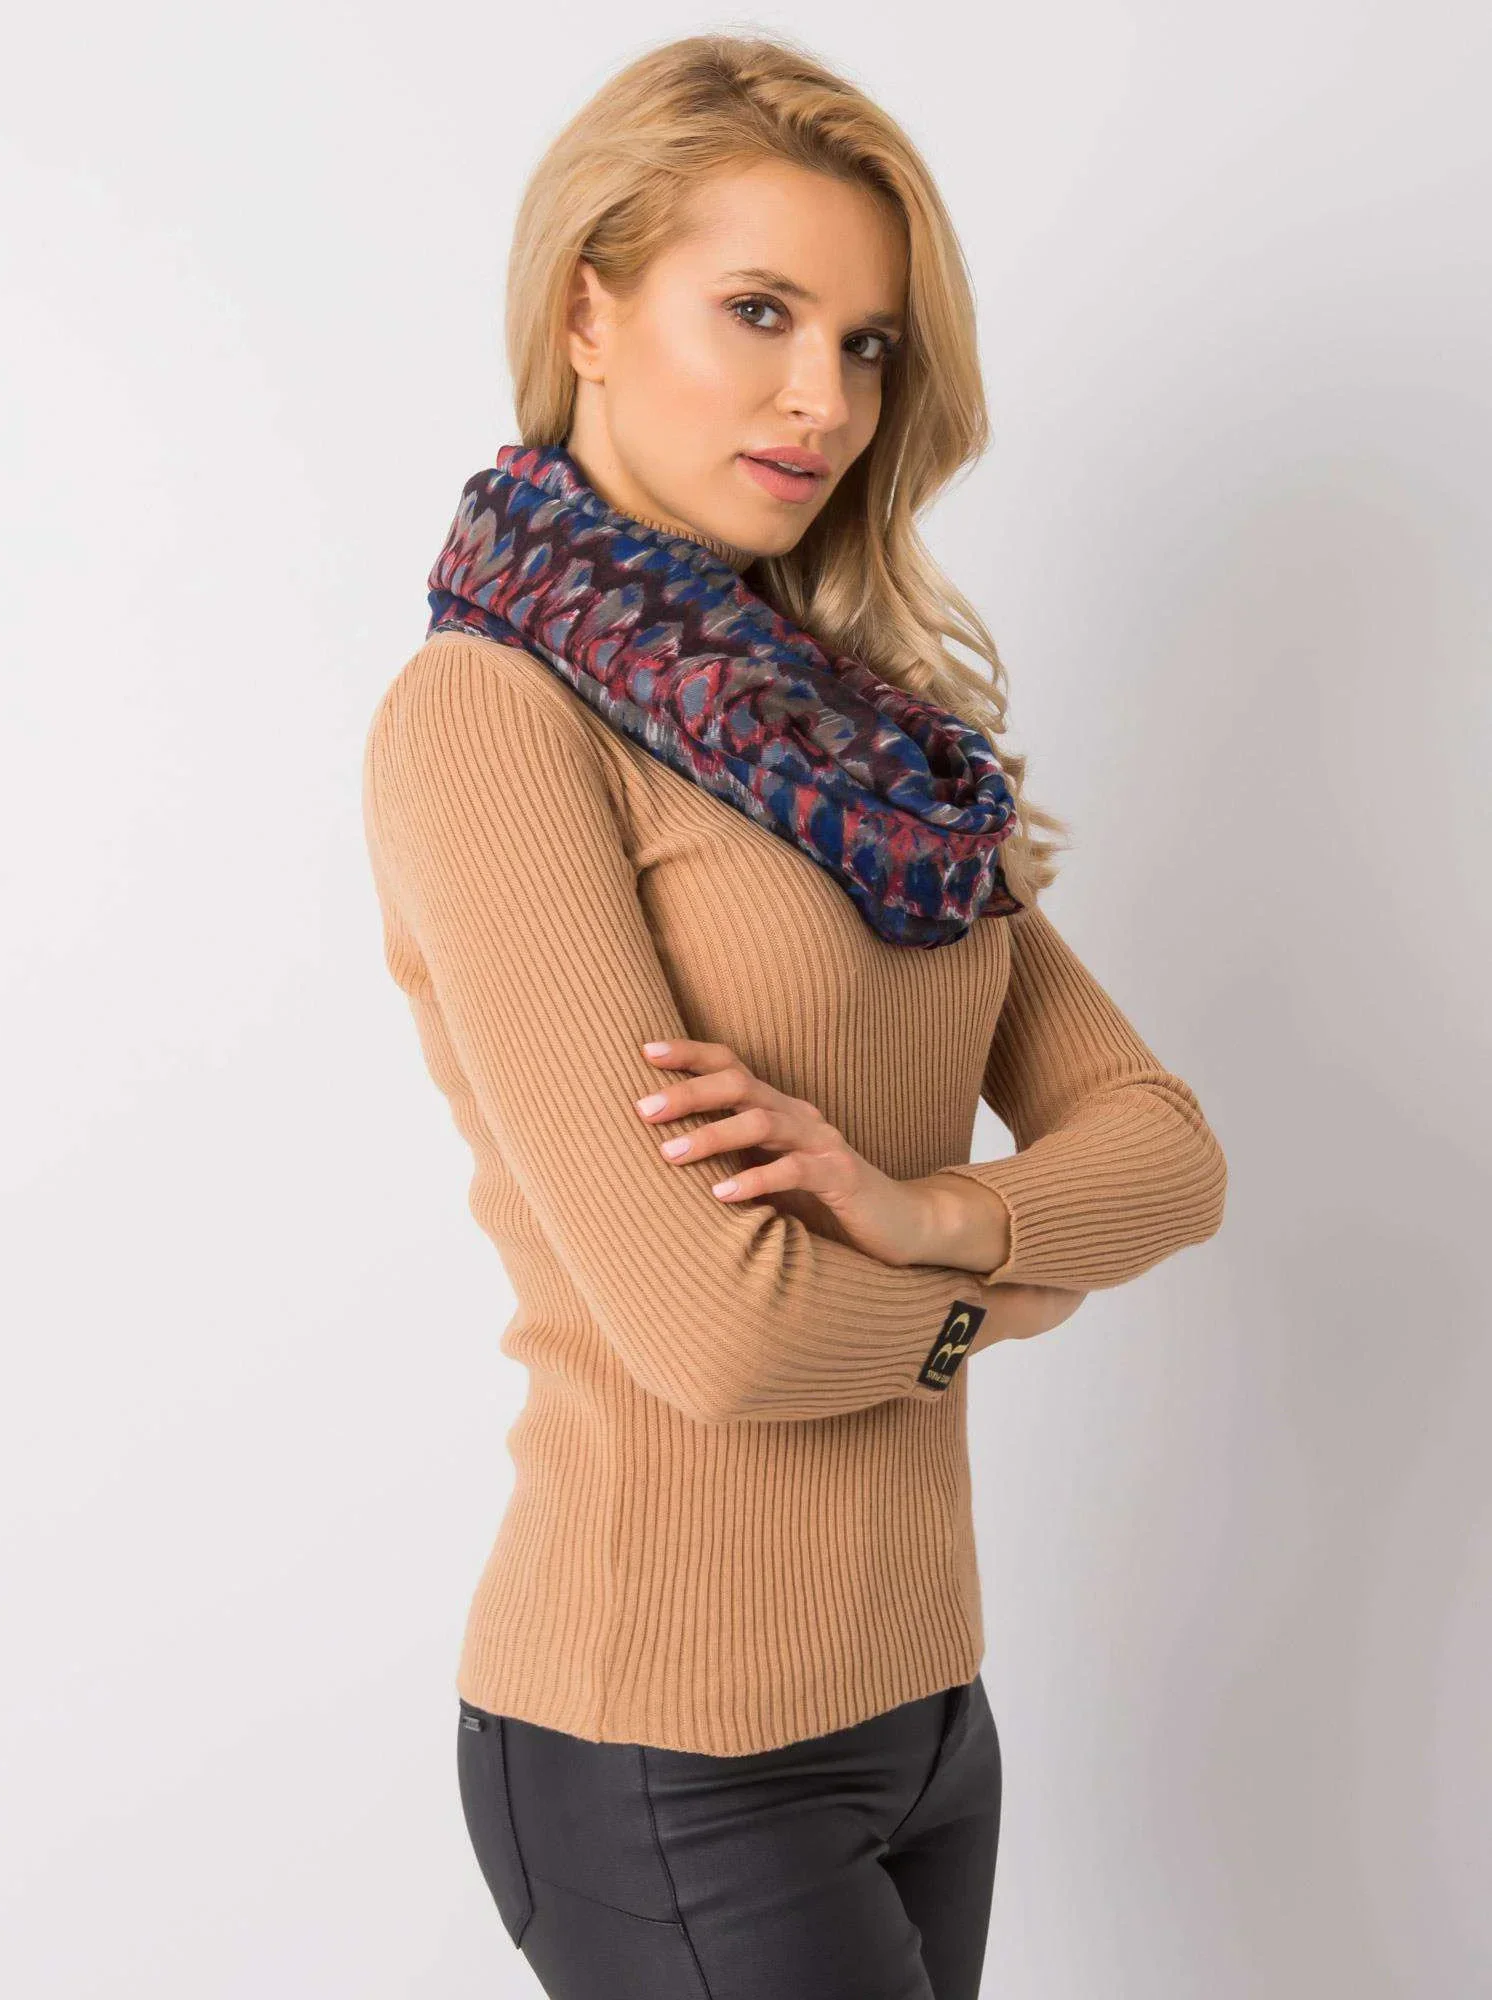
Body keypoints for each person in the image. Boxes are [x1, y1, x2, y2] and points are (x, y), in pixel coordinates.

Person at [360, 31, 1228, 2000]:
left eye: (867, 345)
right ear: (588, 308)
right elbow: (721, 1331)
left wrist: (934, 1214)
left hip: (929, 1712)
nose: (822, 398)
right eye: (758, 312)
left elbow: (1169, 1152)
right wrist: (1007, 1297)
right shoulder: (487, 721)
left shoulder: (875, 757)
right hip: (668, 1744)